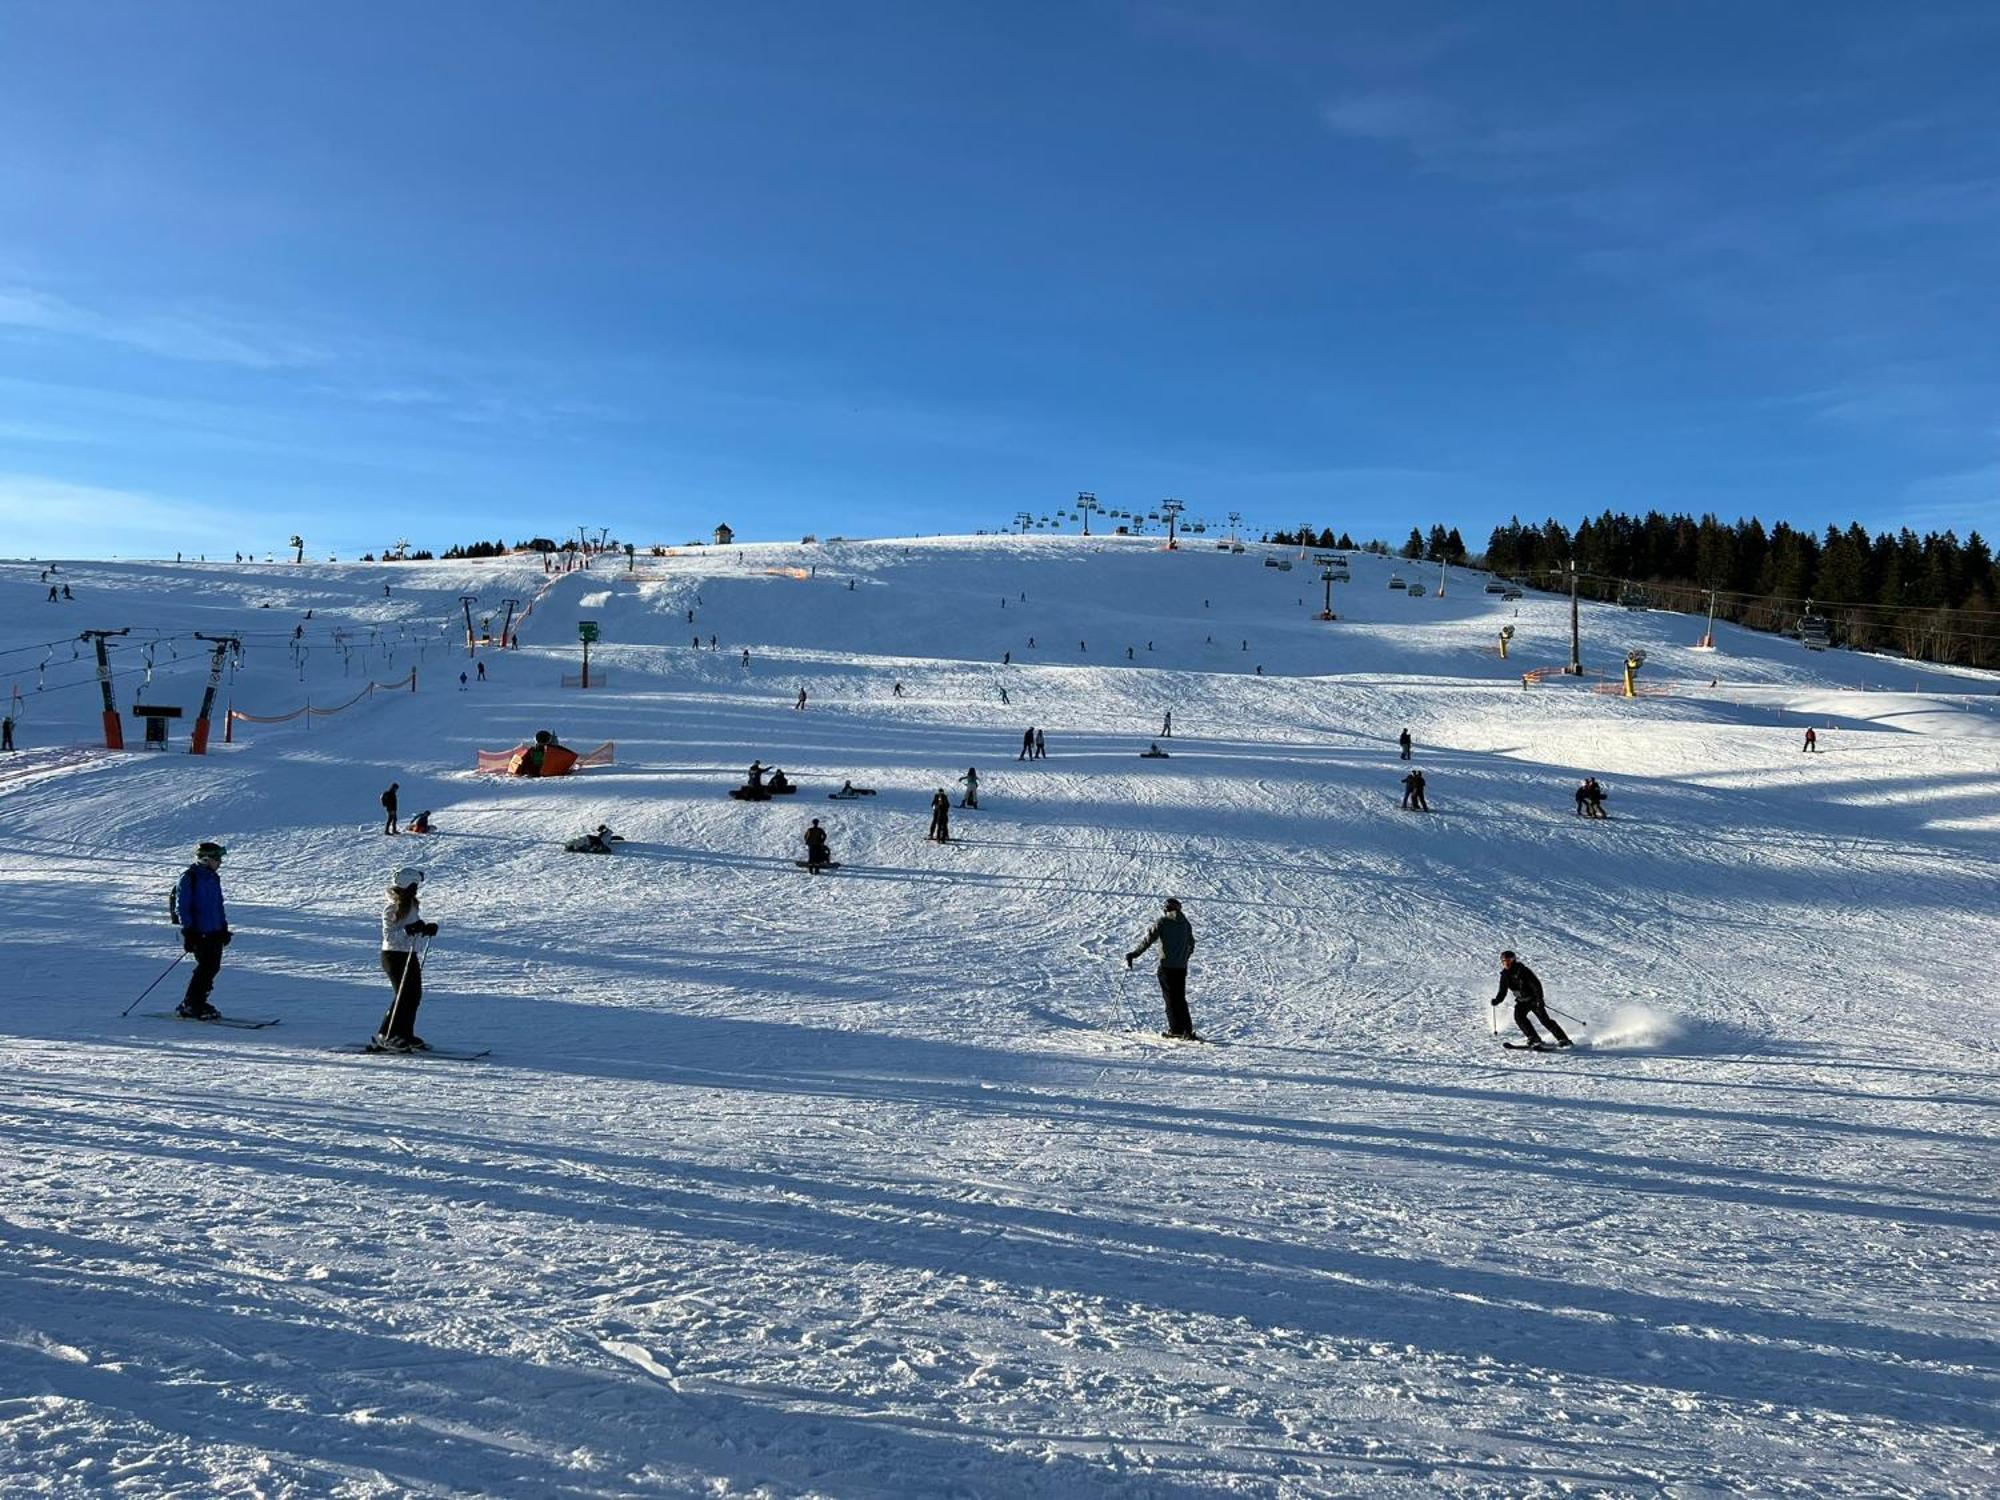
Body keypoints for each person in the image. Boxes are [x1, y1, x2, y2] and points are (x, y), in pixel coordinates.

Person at [375, 867, 438, 1051]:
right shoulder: (392, 908)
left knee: (414, 995)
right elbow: (390, 937)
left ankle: (404, 1034)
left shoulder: (411, 906)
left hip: (409, 955)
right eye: (413, 885)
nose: (416, 889)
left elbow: (411, 932)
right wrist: (409, 930)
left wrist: (424, 930)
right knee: (404, 995)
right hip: (393, 956)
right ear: (404, 886)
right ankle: (386, 1035)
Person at [172, 841, 232, 1019]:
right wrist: (189, 932)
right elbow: (182, 907)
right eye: (217, 859)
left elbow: (217, 905)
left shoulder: (213, 877)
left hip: (214, 931)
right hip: (199, 932)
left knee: (213, 967)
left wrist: (223, 927)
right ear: (206, 859)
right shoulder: (189, 877)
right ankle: (191, 1004)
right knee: (206, 967)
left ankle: (197, 1001)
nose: (220, 862)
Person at [1126, 897, 1198, 1039]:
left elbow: (1148, 940)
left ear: (1166, 909)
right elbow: (1192, 944)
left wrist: (1135, 954)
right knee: (1180, 998)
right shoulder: (1186, 924)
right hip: (1181, 968)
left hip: (1167, 967)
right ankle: (1187, 1030)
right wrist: (1183, 959)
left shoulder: (1163, 922)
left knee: (1170, 999)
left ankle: (1176, 1030)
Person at [1491, 950, 1571, 1049]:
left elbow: (1536, 985)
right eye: (1504, 961)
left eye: (1508, 960)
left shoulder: (1523, 971)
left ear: (1513, 960)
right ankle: (1533, 1038)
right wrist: (1497, 1000)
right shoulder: (1505, 975)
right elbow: (1502, 991)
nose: (1506, 963)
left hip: (1533, 999)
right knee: (1519, 1017)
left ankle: (1563, 1039)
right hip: (1521, 1001)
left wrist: (1539, 1000)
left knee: (1544, 1020)